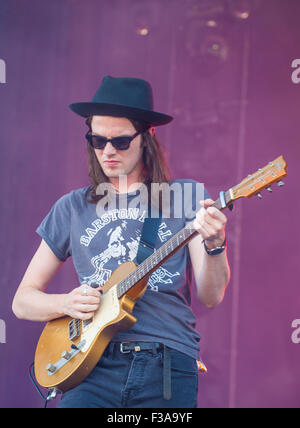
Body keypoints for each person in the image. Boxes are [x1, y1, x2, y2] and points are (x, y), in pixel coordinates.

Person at [12, 75, 230, 408]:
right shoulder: (72, 206)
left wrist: (215, 245)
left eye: (121, 141)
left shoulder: (186, 197)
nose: (108, 151)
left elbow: (210, 297)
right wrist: (65, 303)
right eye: (98, 140)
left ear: (148, 136)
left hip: (166, 364)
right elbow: (22, 301)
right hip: (89, 366)